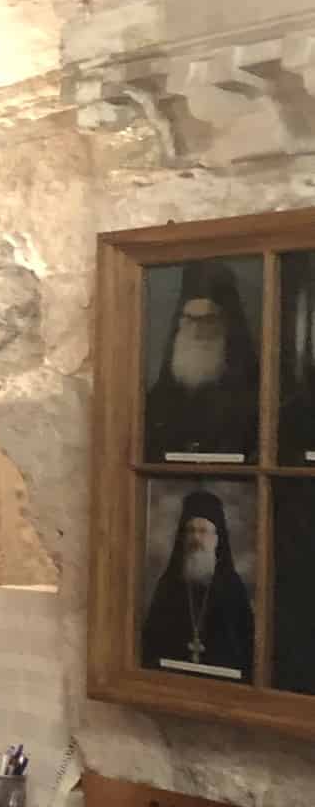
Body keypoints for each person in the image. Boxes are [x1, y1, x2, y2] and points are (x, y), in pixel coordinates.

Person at [145, 262, 259, 462]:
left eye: (208, 320)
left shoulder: (255, 396)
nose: (197, 331)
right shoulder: (158, 399)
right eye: (190, 319)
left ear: (226, 324)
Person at [140, 488, 254, 678]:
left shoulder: (232, 586)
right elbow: (152, 641)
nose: (196, 538)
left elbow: (244, 645)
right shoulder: (168, 585)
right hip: (172, 675)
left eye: (203, 531)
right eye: (190, 531)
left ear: (217, 539)